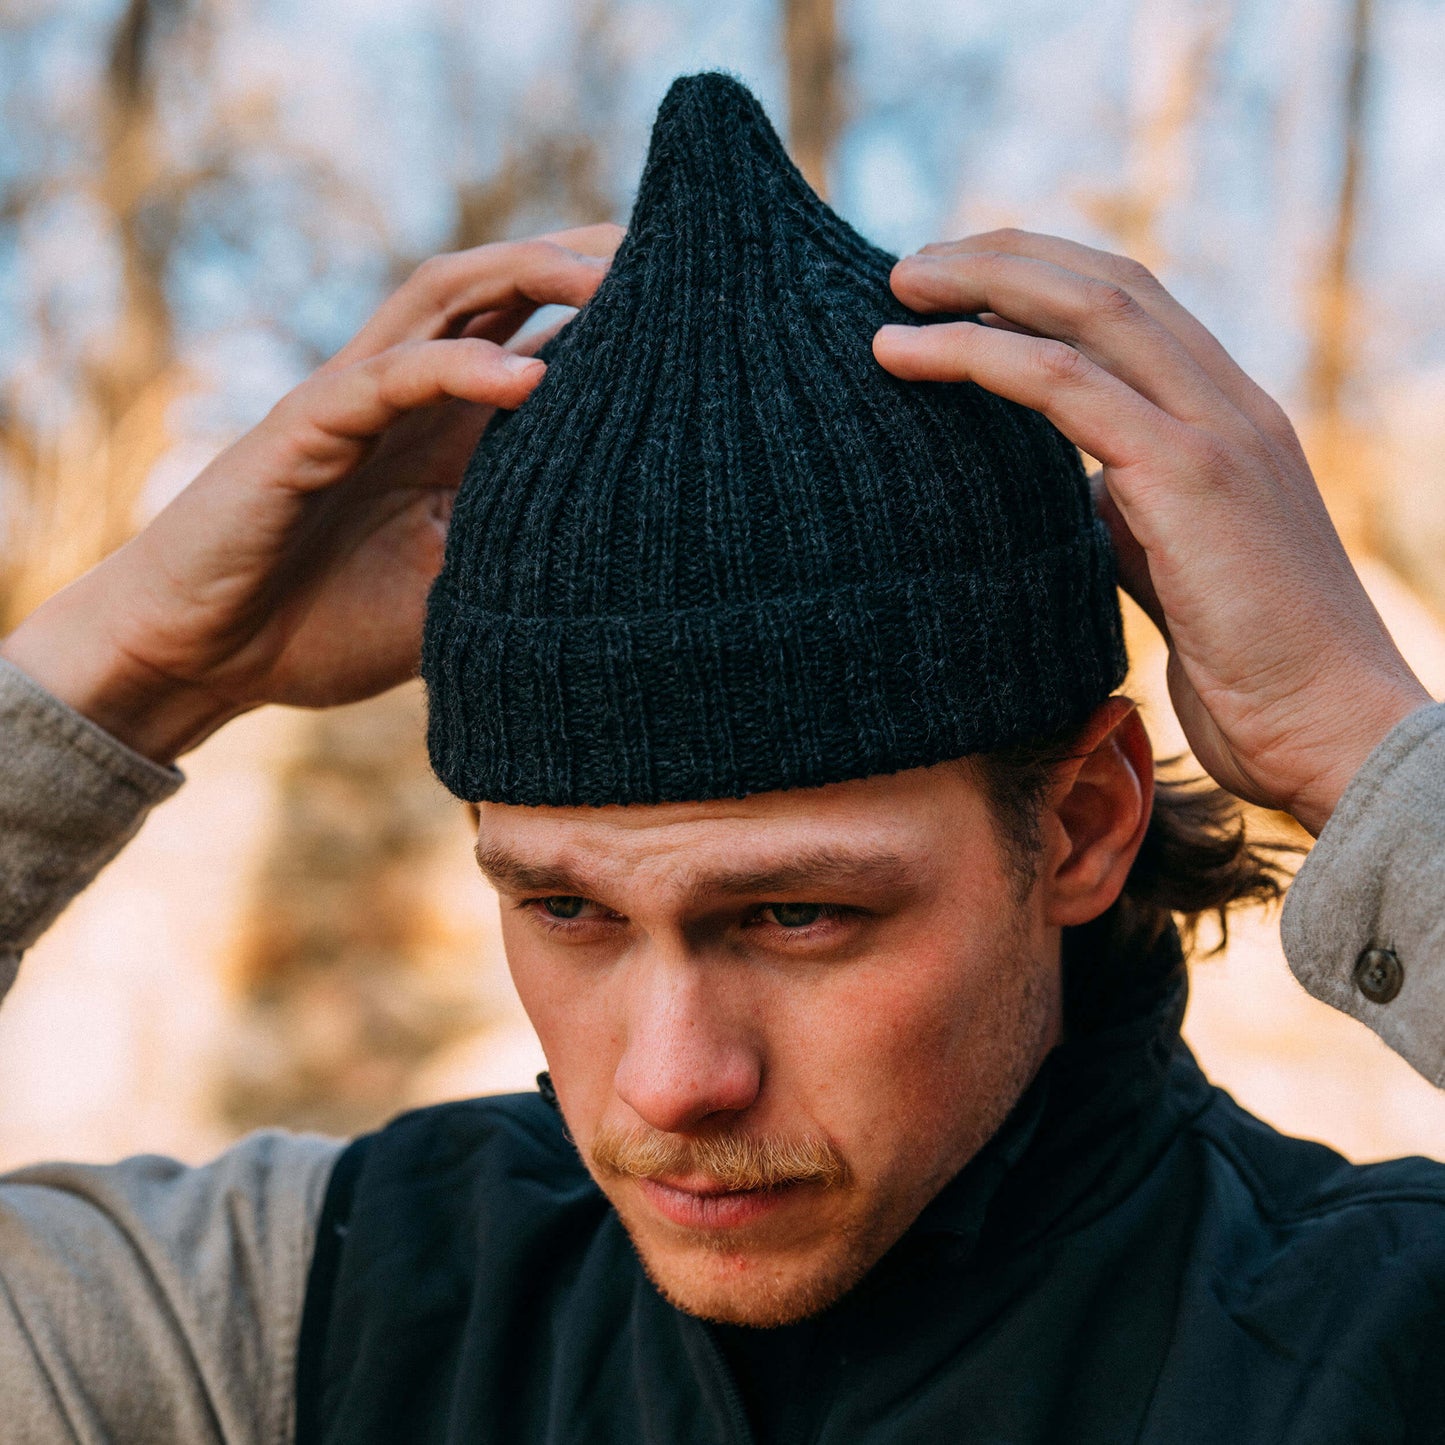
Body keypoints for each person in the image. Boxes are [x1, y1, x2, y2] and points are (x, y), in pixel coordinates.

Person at [1, 72, 1441, 1445]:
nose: (669, 1082)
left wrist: (1358, 748)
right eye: (566, 909)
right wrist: (132, 668)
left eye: (795, 912)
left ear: (1078, 824)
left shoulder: (1373, 1347)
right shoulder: (315, 1313)